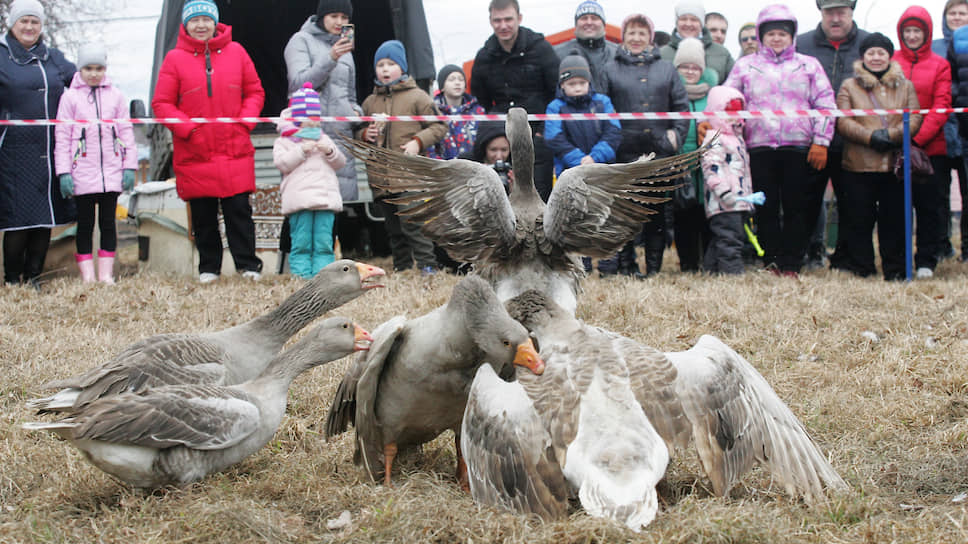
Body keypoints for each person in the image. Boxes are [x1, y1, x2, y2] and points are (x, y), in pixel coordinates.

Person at [152, 0, 265, 283]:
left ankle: (248, 266)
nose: (201, 25)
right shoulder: (174, 59)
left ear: (215, 22)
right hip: (195, 151)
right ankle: (208, 269)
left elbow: (255, 91)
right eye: (194, 20)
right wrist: (189, 129)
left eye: (206, 19)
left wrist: (245, 121)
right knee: (203, 217)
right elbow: (162, 103)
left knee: (239, 212)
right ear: (186, 25)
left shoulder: (237, 52)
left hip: (233, 148)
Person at [724, 4, 836, 278]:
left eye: (782, 33)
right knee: (766, 207)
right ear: (761, 36)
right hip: (759, 148)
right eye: (771, 33)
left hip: (798, 148)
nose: (776, 38)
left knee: (799, 207)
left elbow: (825, 104)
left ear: (791, 36)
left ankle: (792, 262)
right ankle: (771, 261)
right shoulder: (745, 66)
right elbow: (727, 101)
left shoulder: (808, 65)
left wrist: (821, 141)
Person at [601, 14, 689, 277]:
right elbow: (602, 110)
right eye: (631, 33)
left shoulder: (667, 69)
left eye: (642, 33)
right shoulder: (609, 69)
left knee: (657, 214)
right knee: (624, 213)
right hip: (623, 154)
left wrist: (674, 137)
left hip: (660, 153)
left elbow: (681, 109)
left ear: (650, 37)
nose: (636, 38)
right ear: (624, 36)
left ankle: (653, 269)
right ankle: (627, 267)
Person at [0, 0, 76, 286]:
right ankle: (11, 279)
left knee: (45, 216)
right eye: (24, 21)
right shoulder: (2, 55)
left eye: (35, 22)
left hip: (49, 149)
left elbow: (79, 82)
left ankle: (35, 276)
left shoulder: (53, 57)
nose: (29, 27)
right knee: (17, 218)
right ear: (12, 24)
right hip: (12, 151)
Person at [835, 33, 921, 280]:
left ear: (889, 56)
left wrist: (892, 135)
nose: (876, 57)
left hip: (894, 165)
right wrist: (871, 137)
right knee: (859, 220)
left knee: (894, 220)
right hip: (858, 164)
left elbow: (915, 117)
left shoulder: (906, 86)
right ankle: (863, 268)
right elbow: (843, 121)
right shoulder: (849, 86)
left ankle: (895, 269)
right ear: (863, 57)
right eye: (871, 53)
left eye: (881, 53)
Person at [359, 40, 446, 274]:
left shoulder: (418, 97)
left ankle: (428, 265)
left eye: (391, 64)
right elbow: (357, 133)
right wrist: (366, 133)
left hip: (409, 175)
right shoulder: (370, 102)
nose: (385, 69)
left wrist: (418, 142)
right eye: (380, 65)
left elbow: (439, 127)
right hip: (381, 178)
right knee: (393, 228)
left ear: (403, 68)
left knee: (414, 224)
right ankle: (402, 267)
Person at [796, 0, 871, 271]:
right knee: (804, 203)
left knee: (853, 205)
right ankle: (802, 256)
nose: (835, 18)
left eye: (841, 12)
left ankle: (845, 260)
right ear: (821, 13)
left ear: (852, 13)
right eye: (830, 12)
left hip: (854, 142)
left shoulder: (868, 45)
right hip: (811, 142)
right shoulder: (801, 45)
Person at [54, 43, 136, 284]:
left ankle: (106, 275)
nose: (93, 73)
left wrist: (129, 166)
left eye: (98, 68)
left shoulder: (116, 96)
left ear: (105, 69)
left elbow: (126, 132)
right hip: (82, 174)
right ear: (80, 69)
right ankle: (88, 276)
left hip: (111, 173)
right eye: (88, 68)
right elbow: (61, 137)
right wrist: (64, 172)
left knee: (108, 224)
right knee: (86, 225)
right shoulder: (69, 97)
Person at [471, 0, 559, 202]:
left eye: (508, 19)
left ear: (519, 18)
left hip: (537, 135)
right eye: (497, 20)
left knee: (539, 198)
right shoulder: (484, 56)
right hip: (502, 139)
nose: (503, 25)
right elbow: (481, 98)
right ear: (491, 21)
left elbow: (555, 90)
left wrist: (542, 130)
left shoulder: (541, 49)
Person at [893, 6, 952, 279]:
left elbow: (942, 105)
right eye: (908, 31)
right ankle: (899, 258)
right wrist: (898, 138)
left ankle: (927, 260)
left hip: (930, 150)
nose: (913, 36)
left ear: (927, 33)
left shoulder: (940, 64)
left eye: (918, 31)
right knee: (897, 208)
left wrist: (915, 138)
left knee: (929, 208)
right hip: (895, 149)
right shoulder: (892, 61)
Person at [284, 0, 360, 203]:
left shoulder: (346, 51)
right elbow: (298, 84)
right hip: (310, 136)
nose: (339, 21)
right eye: (334, 16)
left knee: (344, 210)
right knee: (310, 206)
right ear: (321, 17)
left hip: (341, 138)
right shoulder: (300, 40)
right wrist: (331, 57)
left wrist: (356, 112)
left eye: (344, 18)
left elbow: (350, 96)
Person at [273, 83, 346, 279]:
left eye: (315, 119)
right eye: (308, 118)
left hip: (324, 200)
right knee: (301, 243)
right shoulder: (284, 141)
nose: (313, 123)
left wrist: (329, 151)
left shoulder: (324, 138)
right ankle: (302, 278)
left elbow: (341, 162)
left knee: (324, 244)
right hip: (300, 202)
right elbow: (281, 163)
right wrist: (301, 151)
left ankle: (324, 278)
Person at [673, 38, 717, 272]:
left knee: (707, 215)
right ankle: (688, 264)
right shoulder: (671, 92)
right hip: (682, 164)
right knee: (684, 216)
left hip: (709, 166)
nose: (690, 72)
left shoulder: (712, 95)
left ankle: (708, 263)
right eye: (685, 67)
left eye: (695, 67)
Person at [701, 86, 755, 275]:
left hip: (738, 201)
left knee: (722, 239)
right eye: (729, 112)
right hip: (723, 201)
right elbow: (711, 168)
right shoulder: (714, 138)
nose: (735, 118)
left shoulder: (738, 139)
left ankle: (711, 271)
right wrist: (724, 192)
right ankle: (732, 274)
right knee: (730, 239)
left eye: (738, 112)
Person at [544, 55, 621, 178]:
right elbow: (554, 138)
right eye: (572, 84)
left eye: (582, 83)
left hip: (603, 171)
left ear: (589, 82)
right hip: (569, 173)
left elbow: (614, 132)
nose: (578, 88)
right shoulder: (555, 107)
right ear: (562, 84)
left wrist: (595, 157)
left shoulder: (603, 102)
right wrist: (579, 161)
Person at [934, 0, 968, 262]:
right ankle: (942, 246)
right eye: (952, 13)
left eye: (962, 13)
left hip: (965, 130)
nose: (956, 17)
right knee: (938, 195)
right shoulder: (934, 46)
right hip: (939, 132)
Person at [659, 1, 734, 84]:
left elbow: (734, 85)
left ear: (701, 24)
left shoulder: (722, 53)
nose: (688, 24)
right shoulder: (662, 53)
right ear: (676, 22)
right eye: (683, 19)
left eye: (694, 19)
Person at [553, 0, 617, 91]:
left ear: (603, 23)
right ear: (576, 24)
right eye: (584, 18)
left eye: (594, 18)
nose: (589, 22)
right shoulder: (557, 54)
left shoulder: (618, 53)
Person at [427, 65, 485, 160]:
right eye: (451, 79)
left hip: (474, 168)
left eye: (461, 79)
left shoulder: (478, 111)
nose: (457, 83)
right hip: (444, 169)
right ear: (442, 86)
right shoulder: (433, 111)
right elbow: (430, 146)